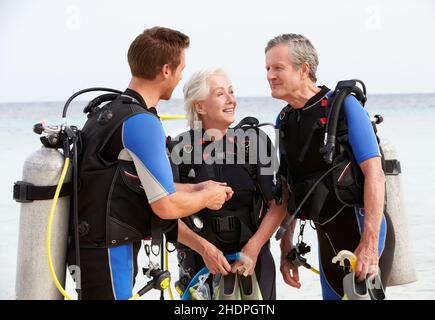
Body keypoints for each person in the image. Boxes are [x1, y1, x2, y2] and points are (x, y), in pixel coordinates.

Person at [67, 27, 233, 300]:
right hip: (109, 251)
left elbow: (136, 183)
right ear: (166, 70)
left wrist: (196, 188)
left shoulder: (107, 112)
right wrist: (207, 197)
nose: (181, 77)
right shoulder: (141, 122)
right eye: (181, 69)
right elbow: (165, 205)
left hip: (90, 248)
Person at [264, 34, 392, 300]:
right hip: (328, 242)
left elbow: (375, 175)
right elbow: (287, 187)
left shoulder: (344, 106)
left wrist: (368, 244)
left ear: (303, 70)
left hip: (363, 233)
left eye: (278, 68)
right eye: (267, 68)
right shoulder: (284, 120)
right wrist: (286, 249)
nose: (270, 76)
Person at [168, 68, 287, 300]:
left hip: (253, 258)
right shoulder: (178, 149)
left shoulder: (255, 143)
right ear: (199, 106)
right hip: (198, 258)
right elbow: (166, 212)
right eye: (220, 93)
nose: (231, 99)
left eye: (231, 92)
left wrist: (253, 247)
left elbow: (279, 204)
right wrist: (203, 248)